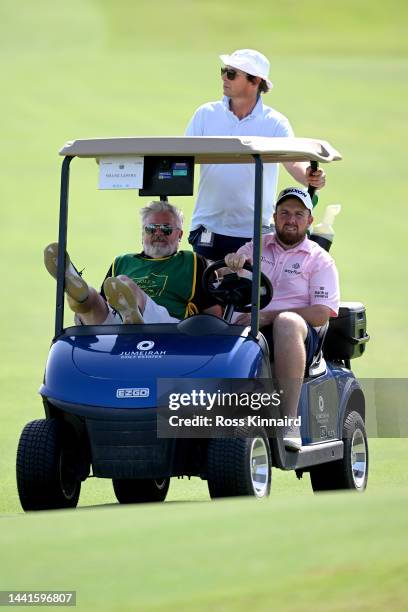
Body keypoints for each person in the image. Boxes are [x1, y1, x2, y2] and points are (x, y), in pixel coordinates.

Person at [224, 187, 340, 451]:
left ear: (309, 221)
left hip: (299, 334)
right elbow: (222, 275)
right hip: (252, 327)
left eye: (299, 214)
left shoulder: (320, 260)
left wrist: (267, 315)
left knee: (285, 322)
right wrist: (228, 264)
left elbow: (321, 313)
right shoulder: (256, 246)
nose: (291, 219)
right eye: (285, 213)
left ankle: (289, 420)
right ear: (275, 217)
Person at [185, 48, 326, 260]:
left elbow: (294, 162)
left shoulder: (275, 123)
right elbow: (183, 158)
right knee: (206, 289)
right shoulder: (205, 114)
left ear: (255, 81)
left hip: (254, 232)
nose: (224, 77)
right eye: (224, 71)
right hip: (208, 227)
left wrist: (310, 176)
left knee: (252, 292)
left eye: (232, 74)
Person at [44, 201, 219, 325]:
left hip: (167, 329)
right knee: (93, 298)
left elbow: (215, 314)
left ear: (180, 235)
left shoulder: (193, 262)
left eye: (166, 229)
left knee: (125, 283)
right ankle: (77, 294)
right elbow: (105, 306)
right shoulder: (122, 261)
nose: (158, 233)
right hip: (115, 325)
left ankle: (131, 316)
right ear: (142, 233)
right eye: (151, 229)